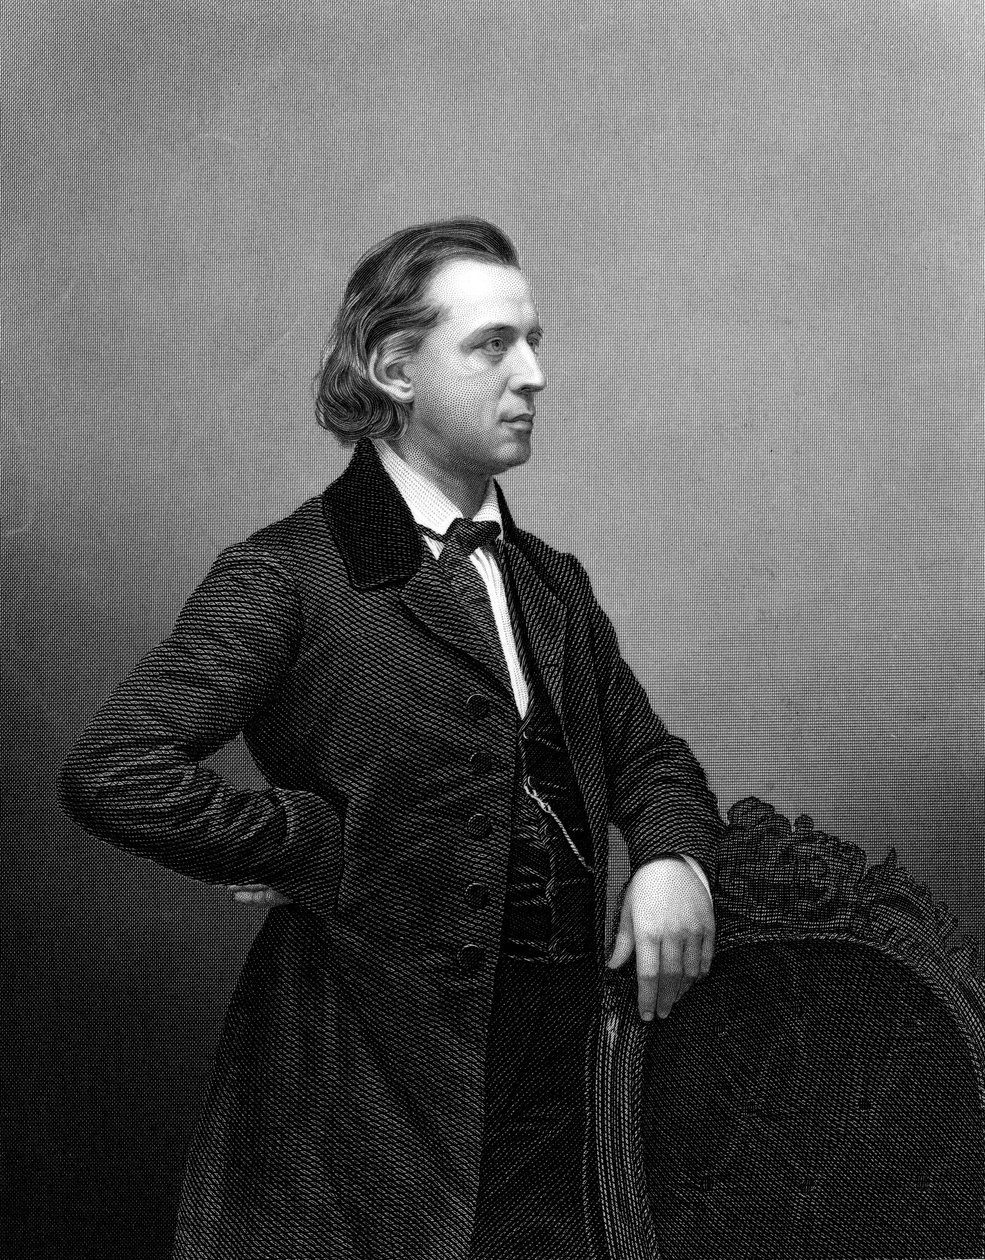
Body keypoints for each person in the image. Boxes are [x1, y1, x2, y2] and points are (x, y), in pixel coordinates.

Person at [59, 217, 724, 1260]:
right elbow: (115, 769)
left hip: (558, 1092)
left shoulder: (551, 582)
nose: (534, 374)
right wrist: (317, 845)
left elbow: (648, 759)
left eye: (533, 340)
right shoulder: (288, 574)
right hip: (363, 1087)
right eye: (492, 345)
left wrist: (672, 862)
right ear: (394, 368)